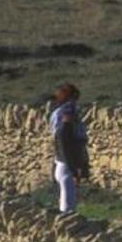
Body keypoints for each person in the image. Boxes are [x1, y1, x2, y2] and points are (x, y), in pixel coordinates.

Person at [49, 83, 88, 215]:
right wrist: (72, 163)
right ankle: (67, 217)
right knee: (68, 192)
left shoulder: (56, 112)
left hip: (61, 159)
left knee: (66, 190)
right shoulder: (67, 111)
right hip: (66, 159)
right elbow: (64, 137)